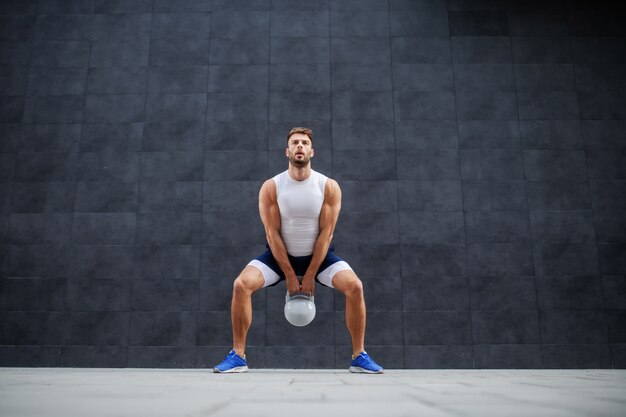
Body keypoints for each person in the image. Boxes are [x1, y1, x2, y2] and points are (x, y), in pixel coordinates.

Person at [213, 127, 383, 374]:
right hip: (279, 256)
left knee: (355, 286)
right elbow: (272, 234)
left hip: (320, 258)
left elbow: (327, 234)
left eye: (304, 143)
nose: (300, 146)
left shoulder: (328, 186)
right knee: (241, 285)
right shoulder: (272, 186)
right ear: (287, 151)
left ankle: (359, 355)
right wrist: (291, 275)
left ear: (312, 151)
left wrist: (311, 273)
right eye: (295, 143)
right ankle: (238, 355)